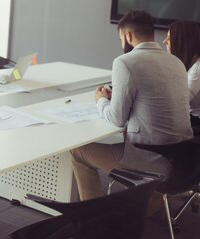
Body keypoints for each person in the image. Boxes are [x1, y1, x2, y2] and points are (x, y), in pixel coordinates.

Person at [70, 10, 193, 200]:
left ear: (128, 35)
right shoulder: (175, 61)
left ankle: (92, 218)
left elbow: (117, 119)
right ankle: (151, 202)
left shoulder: (125, 62)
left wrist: (101, 100)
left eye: (121, 38)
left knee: (78, 151)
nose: (121, 43)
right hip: (181, 158)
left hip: (150, 159)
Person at [163, 21, 200, 127]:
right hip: (196, 118)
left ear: (182, 41)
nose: (164, 42)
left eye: (169, 38)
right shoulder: (190, 64)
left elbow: (177, 103)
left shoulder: (198, 70)